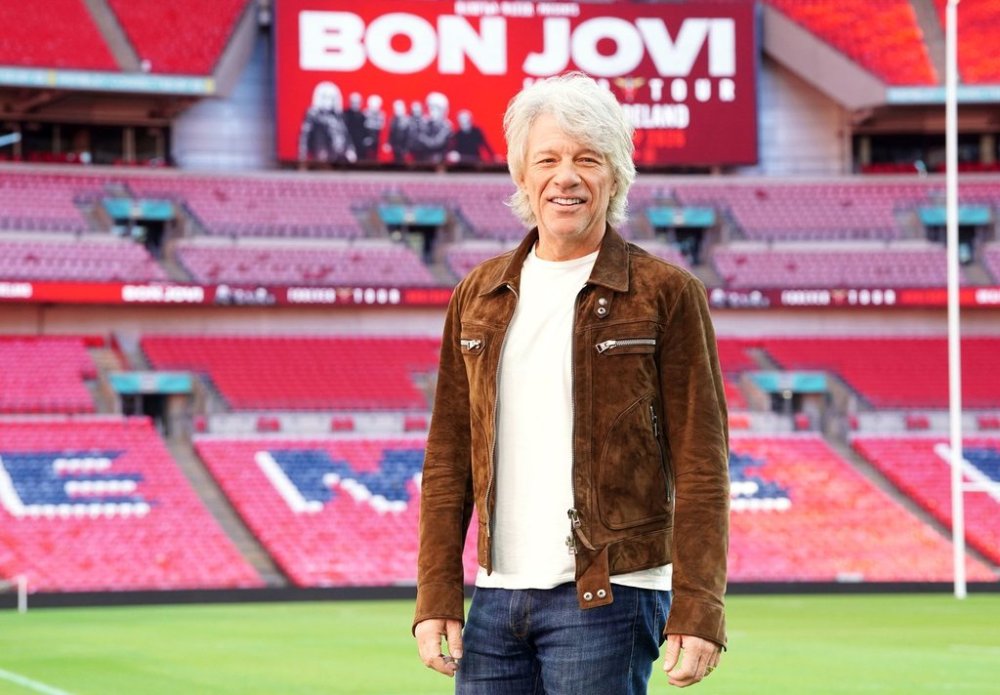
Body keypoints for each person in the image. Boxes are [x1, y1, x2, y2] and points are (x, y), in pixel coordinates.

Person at [414, 73, 730, 693]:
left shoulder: (667, 293)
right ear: (523, 178)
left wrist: (700, 606)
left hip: (608, 597)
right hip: (495, 600)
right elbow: (447, 459)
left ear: (615, 177)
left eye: (588, 159)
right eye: (548, 160)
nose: (567, 176)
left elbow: (700, 461)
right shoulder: (476, 296)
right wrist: (436, 594)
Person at [297, 81, 356, 164]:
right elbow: (304, 136)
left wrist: (350, 150)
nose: (329, 101)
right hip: (321, 154)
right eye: (325, 97)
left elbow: (345, 134)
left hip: (339, 156)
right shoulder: (313, 115)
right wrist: (302, 155)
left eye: (332, 98)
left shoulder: (338, 116)